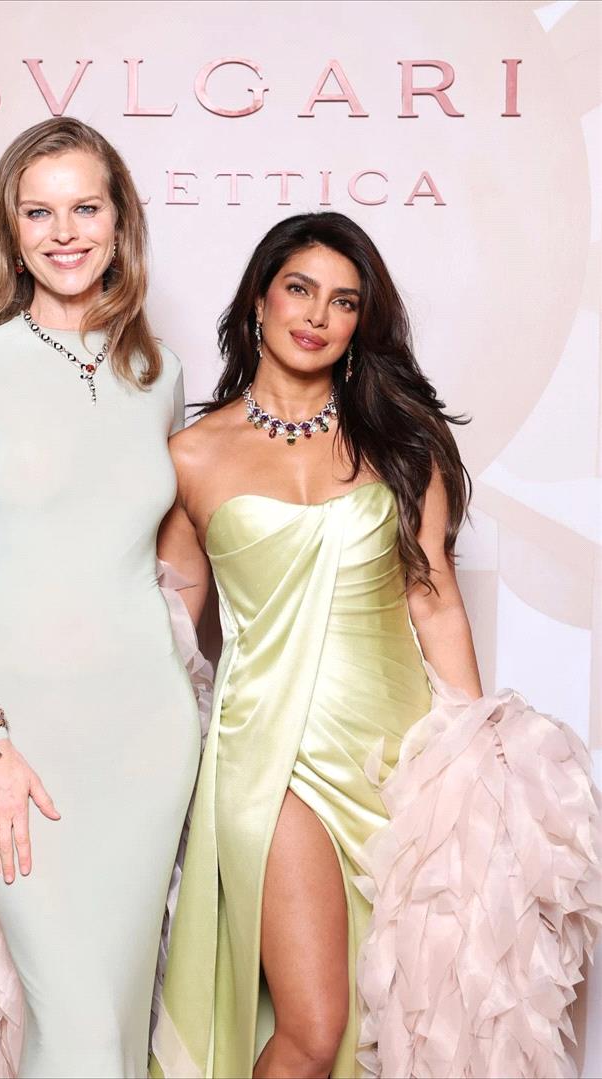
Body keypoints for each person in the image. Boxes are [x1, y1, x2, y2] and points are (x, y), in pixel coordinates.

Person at [152, 211, 482, 1079]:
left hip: (394, 754)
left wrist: (477, 759)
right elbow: (171, 634)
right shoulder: (190, 456)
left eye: (344, 301)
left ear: (360, 324)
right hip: (268, 755)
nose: (317, 315)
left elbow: (437, 604)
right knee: (315, 1024)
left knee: (392, 1022)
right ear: (258, 301)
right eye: (299, 288)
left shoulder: (402, 443)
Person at [0, 117, 200, 1079]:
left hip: (148, 730)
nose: (65, 232)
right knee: (76, 1027)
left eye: (86, 208)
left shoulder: (159, 376)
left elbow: (156, 558)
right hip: (16, 736)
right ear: (12, 229)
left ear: (120, 224)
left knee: (113, 1023)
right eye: (39, 212)